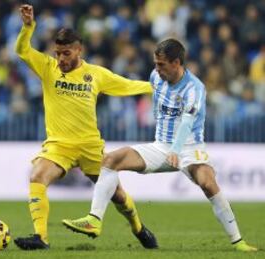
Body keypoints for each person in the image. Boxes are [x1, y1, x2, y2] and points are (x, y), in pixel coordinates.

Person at [62, 39, 258, 252]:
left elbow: (187, 122)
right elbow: (158, 106)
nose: (156, 69)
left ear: (176, 63)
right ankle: (94, 219)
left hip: (189, 147)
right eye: (155, 63)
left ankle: (238, 242)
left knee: (208, 183)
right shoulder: (156, 77)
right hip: (161, 146)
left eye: (161, 64)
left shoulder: (195, 88)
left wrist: (175, 150)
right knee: (110, 160)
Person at [13, 4, 157, 250]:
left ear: (79, 50)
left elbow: (127, 86)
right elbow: (22, 50)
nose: (61, 59)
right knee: (37, 175)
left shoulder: (95, 74)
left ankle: (139, 228)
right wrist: (28, 27)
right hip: (59, 145)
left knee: (118, 196)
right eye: (58, 53)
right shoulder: (48, 68)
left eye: (66, 53)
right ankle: (41, 238)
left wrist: (158, 88)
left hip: (91, 147)